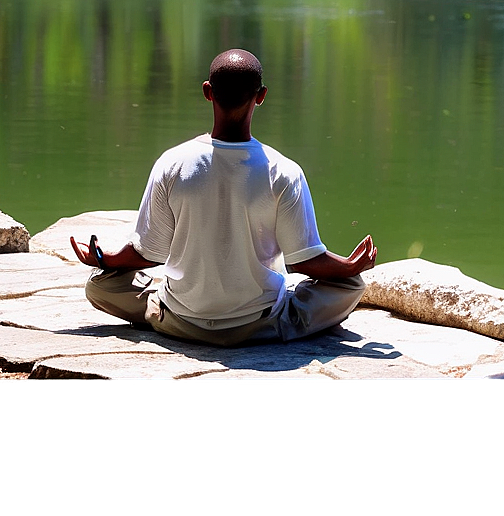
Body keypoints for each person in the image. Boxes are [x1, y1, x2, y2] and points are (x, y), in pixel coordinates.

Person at [70, 48, 377, 347]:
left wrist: (103, 259)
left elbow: (149, 254)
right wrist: (349, 267)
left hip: (181, 320)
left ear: (207, 91)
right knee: (351, 285)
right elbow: (305, 260)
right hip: (259, 322)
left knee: (100, 285)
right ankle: (283, 323)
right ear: (261, 96)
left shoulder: (172, 162)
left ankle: (157, 311)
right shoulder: (283, 171)